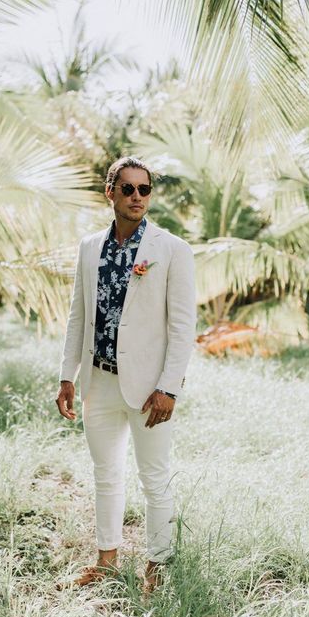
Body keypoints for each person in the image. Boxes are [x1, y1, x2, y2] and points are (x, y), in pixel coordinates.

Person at [56, 156, 197, 591]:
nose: (138, 197)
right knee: (106, 473)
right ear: (110, 192)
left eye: (145, 189)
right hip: (99, 383)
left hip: (150, 389)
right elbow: (79, 315)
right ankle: (107, 560)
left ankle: (158, 565)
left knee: (154, 477)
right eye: (129, 188)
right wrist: (67, 376)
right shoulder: (89, 247)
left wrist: (168, 388)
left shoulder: (172, 249)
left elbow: (182, 326)